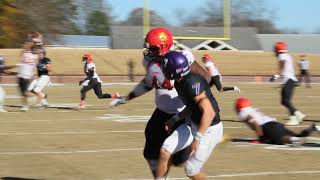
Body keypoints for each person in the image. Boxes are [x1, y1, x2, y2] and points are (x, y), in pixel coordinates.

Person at [110, 27, 210, 178]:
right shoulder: (150, 62)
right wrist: (126, 98)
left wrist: (196, 101)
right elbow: (148, 83)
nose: (149, 52)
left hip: (183, 114)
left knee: (184, 163)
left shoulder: (182, 58)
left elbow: (205, 78)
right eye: (149, 48)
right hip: (162, 112)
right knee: (151, 153)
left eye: (153, 48)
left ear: (164, 46)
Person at [156, 51, 223, 179]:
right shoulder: (179, 82)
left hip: (209, 130)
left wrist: (197, 138)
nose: (163, 70)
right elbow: (192, 107)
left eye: (166, 67)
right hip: (193, 124)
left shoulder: (192, 83)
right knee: (165, 150)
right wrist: (174, 119)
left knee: (191, 170)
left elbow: (209, 112)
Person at [235, 97, 319, 145]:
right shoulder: (251, 109)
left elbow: (254, 122)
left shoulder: (243, 112)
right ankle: (312, 128)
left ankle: (294, 140)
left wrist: (260, 138)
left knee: (279, 140)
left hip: (267, 127)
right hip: (275, 124)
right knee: (298, 136)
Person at [270, 42, 305, 126]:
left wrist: (276, 75)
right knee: (284, 101)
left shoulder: (282, 56)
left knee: (286, 101)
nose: (274, 51)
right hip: (289, 80)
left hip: (289, 80)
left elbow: (283, 64)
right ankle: (294, 118)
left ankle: (298, 114)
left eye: (275, 49)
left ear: (278, 50)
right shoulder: (286, 55)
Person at [17, 41, 38, 111]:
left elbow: (35, 66)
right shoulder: (25, 53)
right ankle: (25, 106)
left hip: (27, 75)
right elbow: (22, 51)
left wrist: (34, 74)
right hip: (20, 74)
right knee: (22, 92)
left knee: (25, 92)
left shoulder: (35, 56)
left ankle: (31, 99)